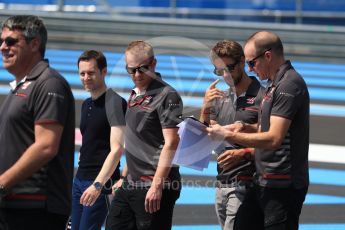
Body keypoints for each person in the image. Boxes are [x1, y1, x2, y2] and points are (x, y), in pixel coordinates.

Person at [207, 31, 310, 230]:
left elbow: (274, 138)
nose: (251, 70)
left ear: (268, 56)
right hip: (263, 180)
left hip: (283, 185)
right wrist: (246, 127)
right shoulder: (274, 84)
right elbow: (268, 128)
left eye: (252, 63)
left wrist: (228, 134)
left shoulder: (289, 84)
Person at [0, 15, 75, 229]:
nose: (3, 47)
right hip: (15, 205)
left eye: (11, 41)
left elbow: (46, 146)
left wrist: (2, 184)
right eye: (1, 41)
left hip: (35, 209)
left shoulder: (49, 83)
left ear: (35, 44)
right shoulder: (21, 86)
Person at [106, 40, 183, 230]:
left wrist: (156, 187)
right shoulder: (136, 94)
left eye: (143, 68)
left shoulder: (167, 95)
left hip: (154, 186)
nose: (137, 75)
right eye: (131, 70)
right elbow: (134, 140)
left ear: (154, 64)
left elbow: (172, 143)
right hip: (130, 183)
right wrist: (123, 177)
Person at [200, 40, 265, 229]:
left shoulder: (263, 97)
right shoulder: (219, 98)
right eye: (219, 71)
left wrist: (243, 152)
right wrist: (205, 108)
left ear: (242, 62)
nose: (226, 74)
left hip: (249, 183)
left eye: (229, 68)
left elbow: (273, 140)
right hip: (221, 182)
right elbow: (201, 139)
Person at [71, 50, 127, 230]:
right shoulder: (87, 103)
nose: (86, 77)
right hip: (79, 179)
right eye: (82, 73)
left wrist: (98, 185)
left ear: (104, 72)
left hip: (99, 182)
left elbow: (117, 149)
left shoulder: (114, 102)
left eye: (91, 73)